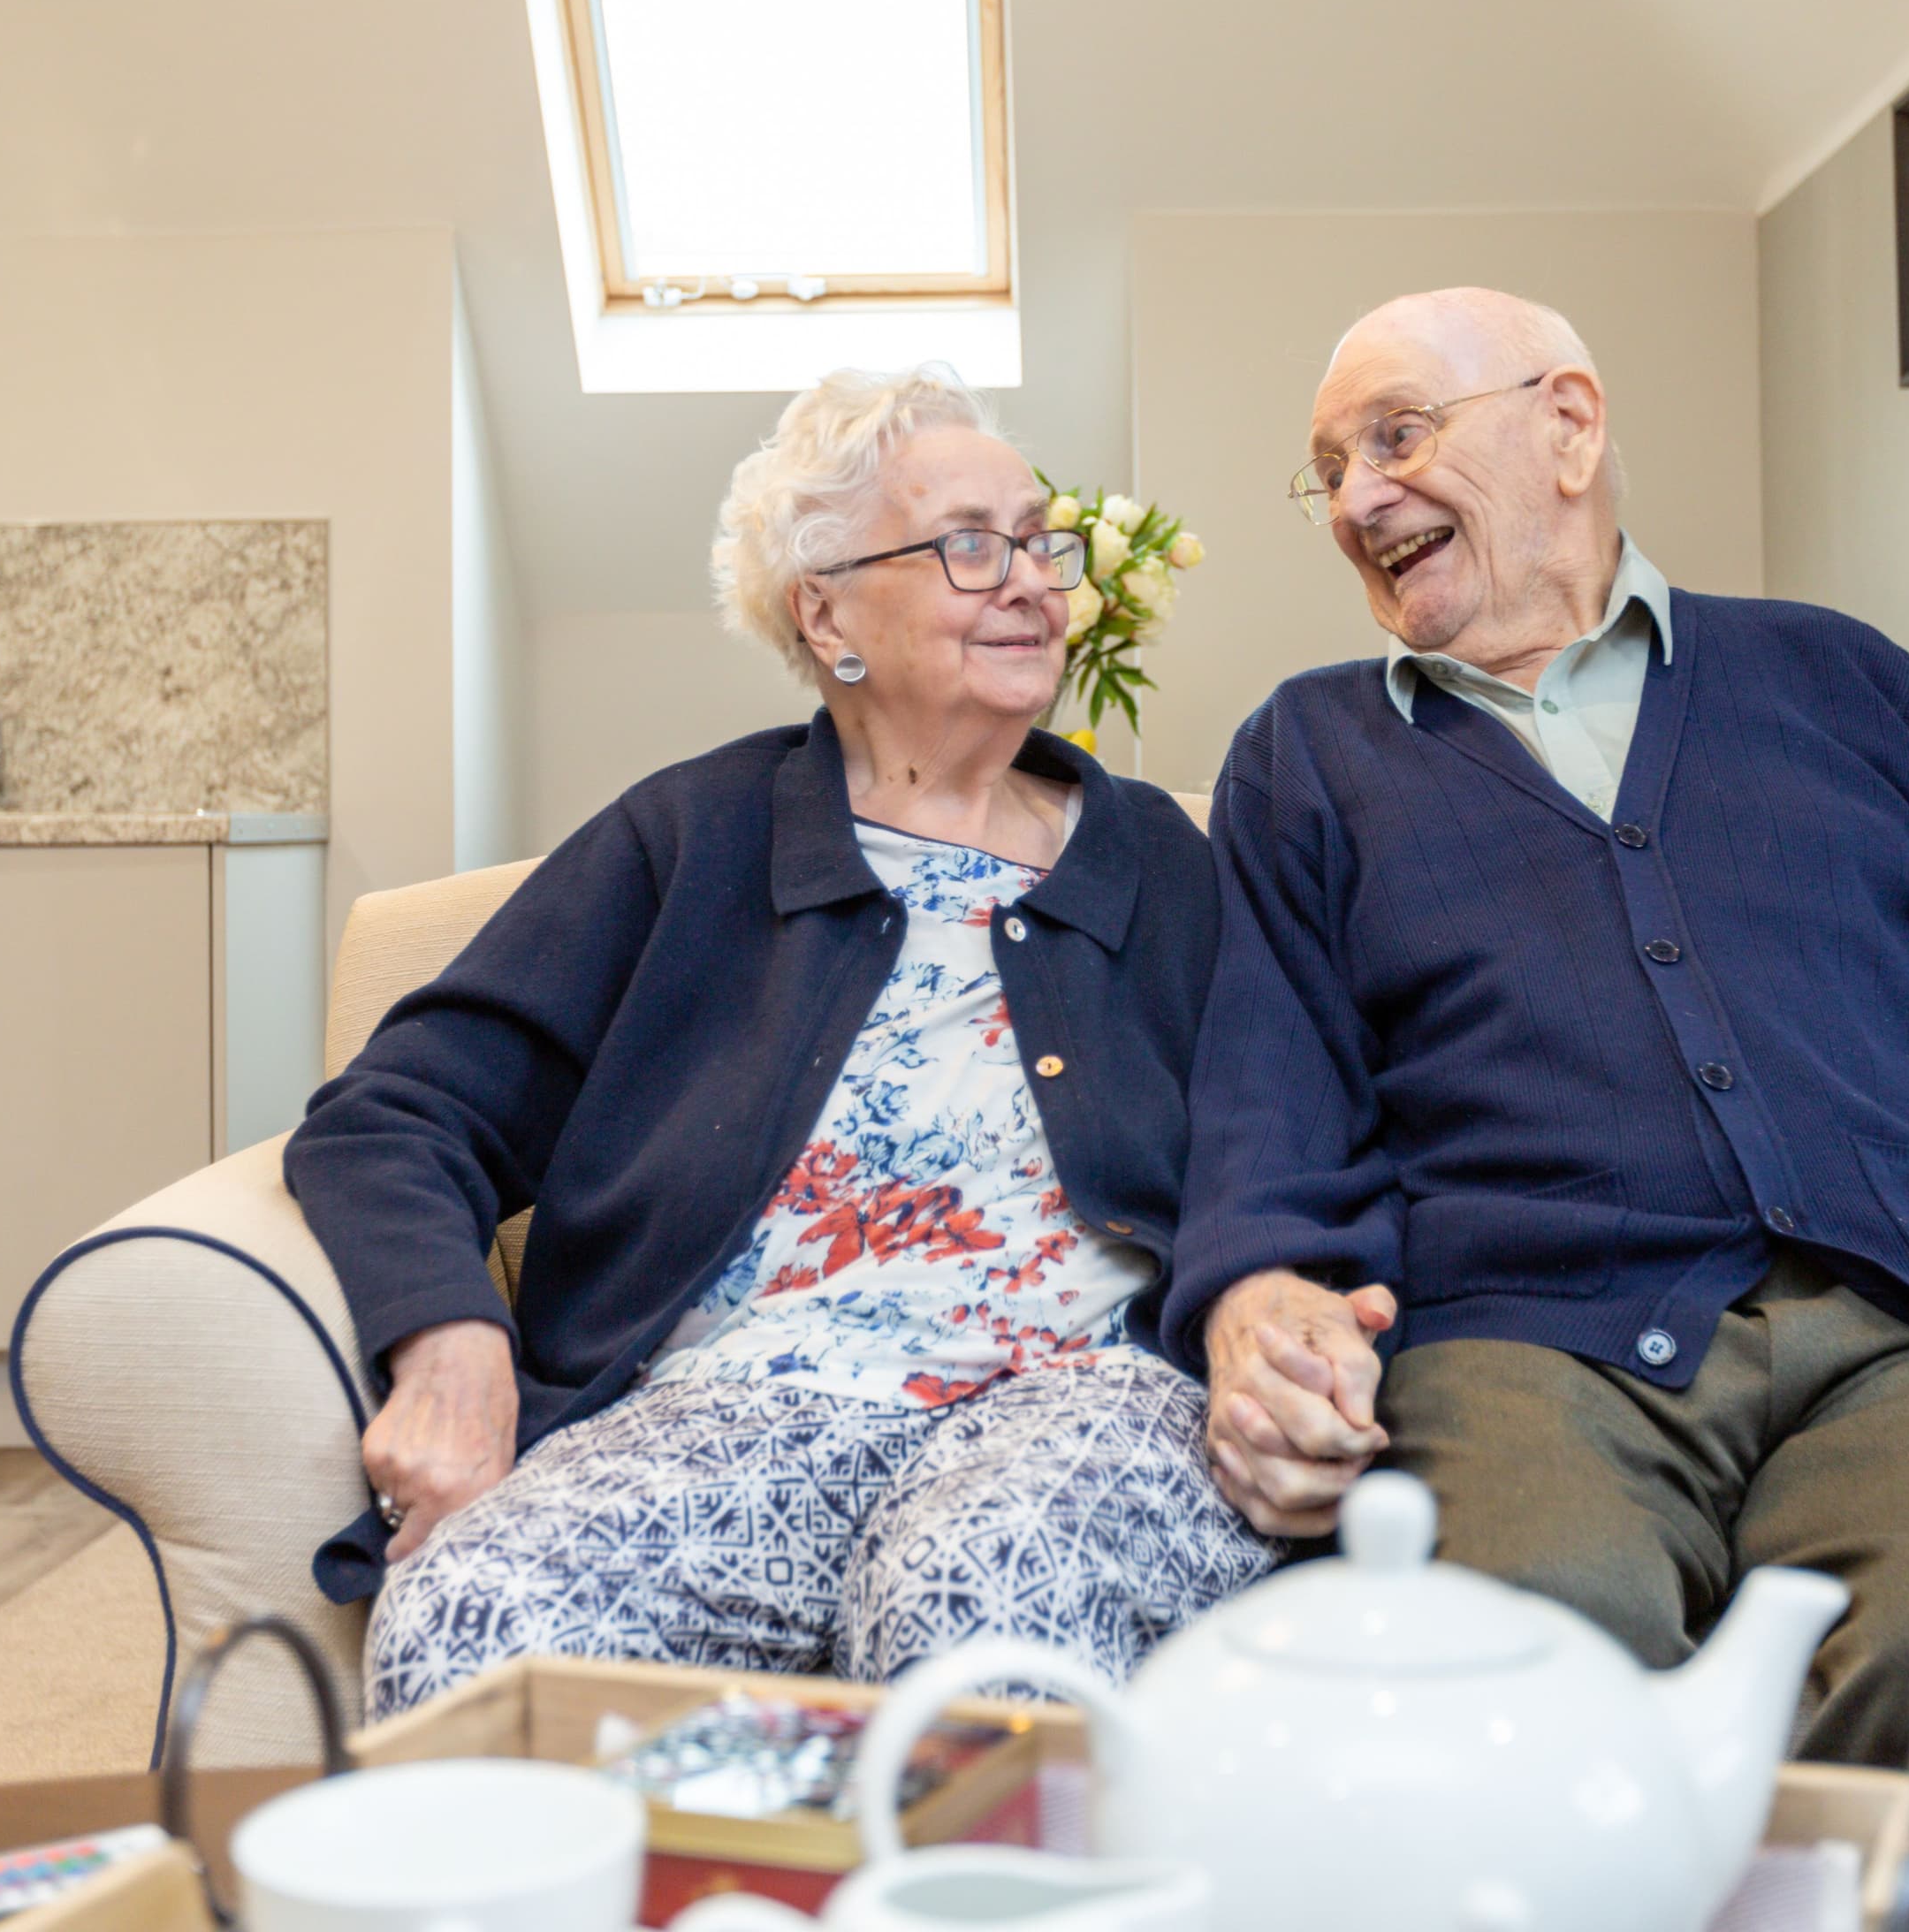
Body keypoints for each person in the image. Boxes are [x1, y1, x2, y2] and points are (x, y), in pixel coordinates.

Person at [1166, 289, 1909, 1932]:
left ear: (1568, 425)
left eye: (1398, 436)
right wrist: (1259, 1291)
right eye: (1330, 469)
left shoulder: (1841, 680)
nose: (1357, 498)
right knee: (1524, 1655)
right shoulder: (1310, 752)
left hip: (1907, 1323)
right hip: (1522, 1342)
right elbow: (1269, 1088)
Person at [288, 362, 1266, 1721]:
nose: (1035, 580)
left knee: (979, 1606)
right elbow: (398, 1111)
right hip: (742, 1401)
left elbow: (1288, 1124)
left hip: (1083, 1397)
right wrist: (452, 1344)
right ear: (827, 610)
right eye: (971, 546)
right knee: (480, 1617)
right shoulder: (691, 837)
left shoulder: (1160, 855)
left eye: (1041, 540)